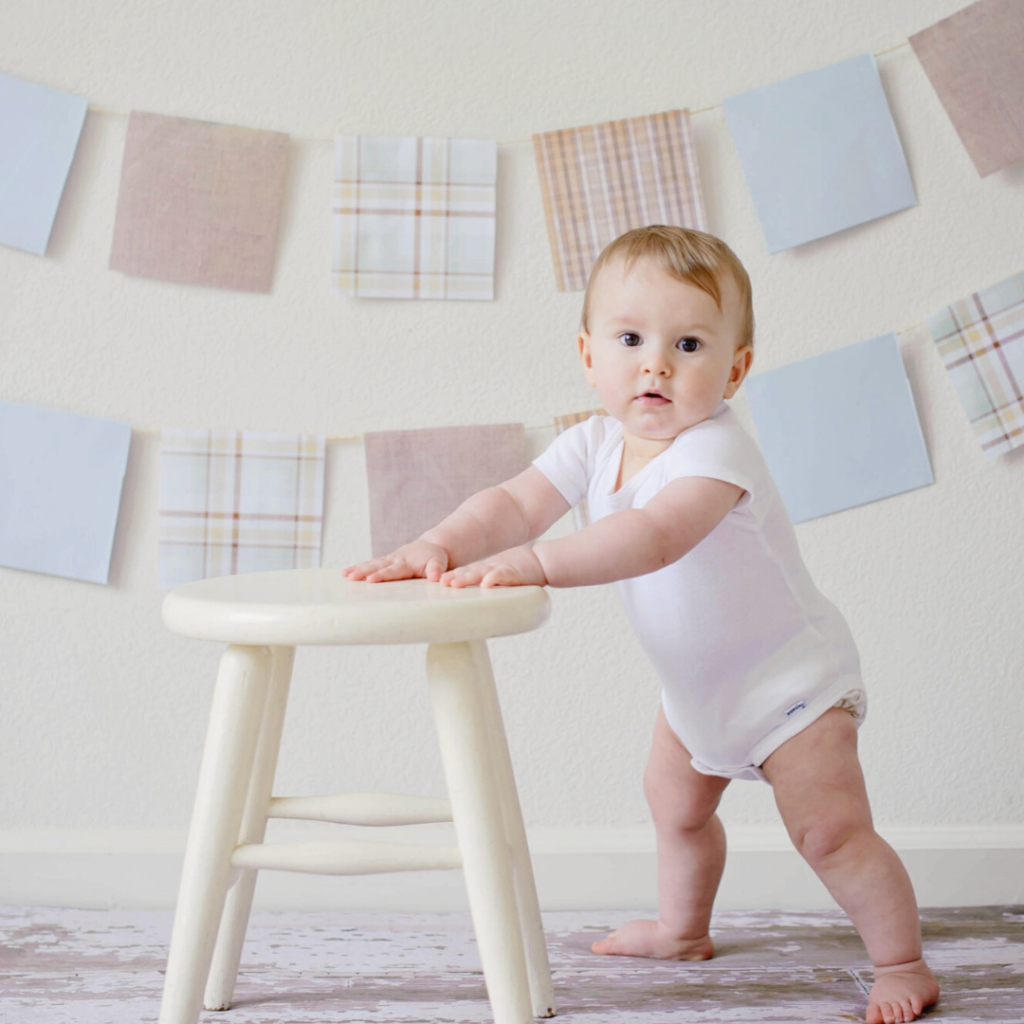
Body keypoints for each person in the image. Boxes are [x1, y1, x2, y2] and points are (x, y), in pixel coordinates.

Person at [343, 225, 939, 1024]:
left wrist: (539, 562)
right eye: (631, 338)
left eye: (688, 343)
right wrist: (438, 543)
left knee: (830, 833)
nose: (656, 363)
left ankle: (901, 960)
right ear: (589, 355)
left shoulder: (716, 453)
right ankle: (682, 928)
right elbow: (514, 504)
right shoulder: (590, 444)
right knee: (676, 809)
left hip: (793, 686)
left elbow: (654, 537)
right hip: (696, 691)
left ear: (736, 369)